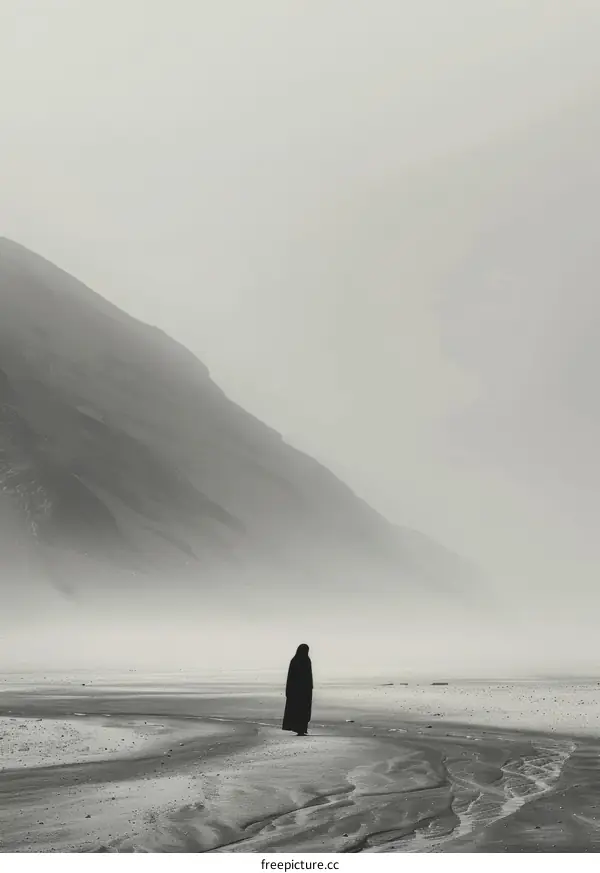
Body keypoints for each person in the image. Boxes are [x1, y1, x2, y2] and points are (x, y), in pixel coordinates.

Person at [282, 643, 313, 736]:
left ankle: (299, 728)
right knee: (303, 710)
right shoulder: (306, 660)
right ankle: (301, 728)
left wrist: (288, 690)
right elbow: (308, 677)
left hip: (296, 690)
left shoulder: (295, 660)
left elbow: (290, 677)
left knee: (297, 710)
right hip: (303, 691)